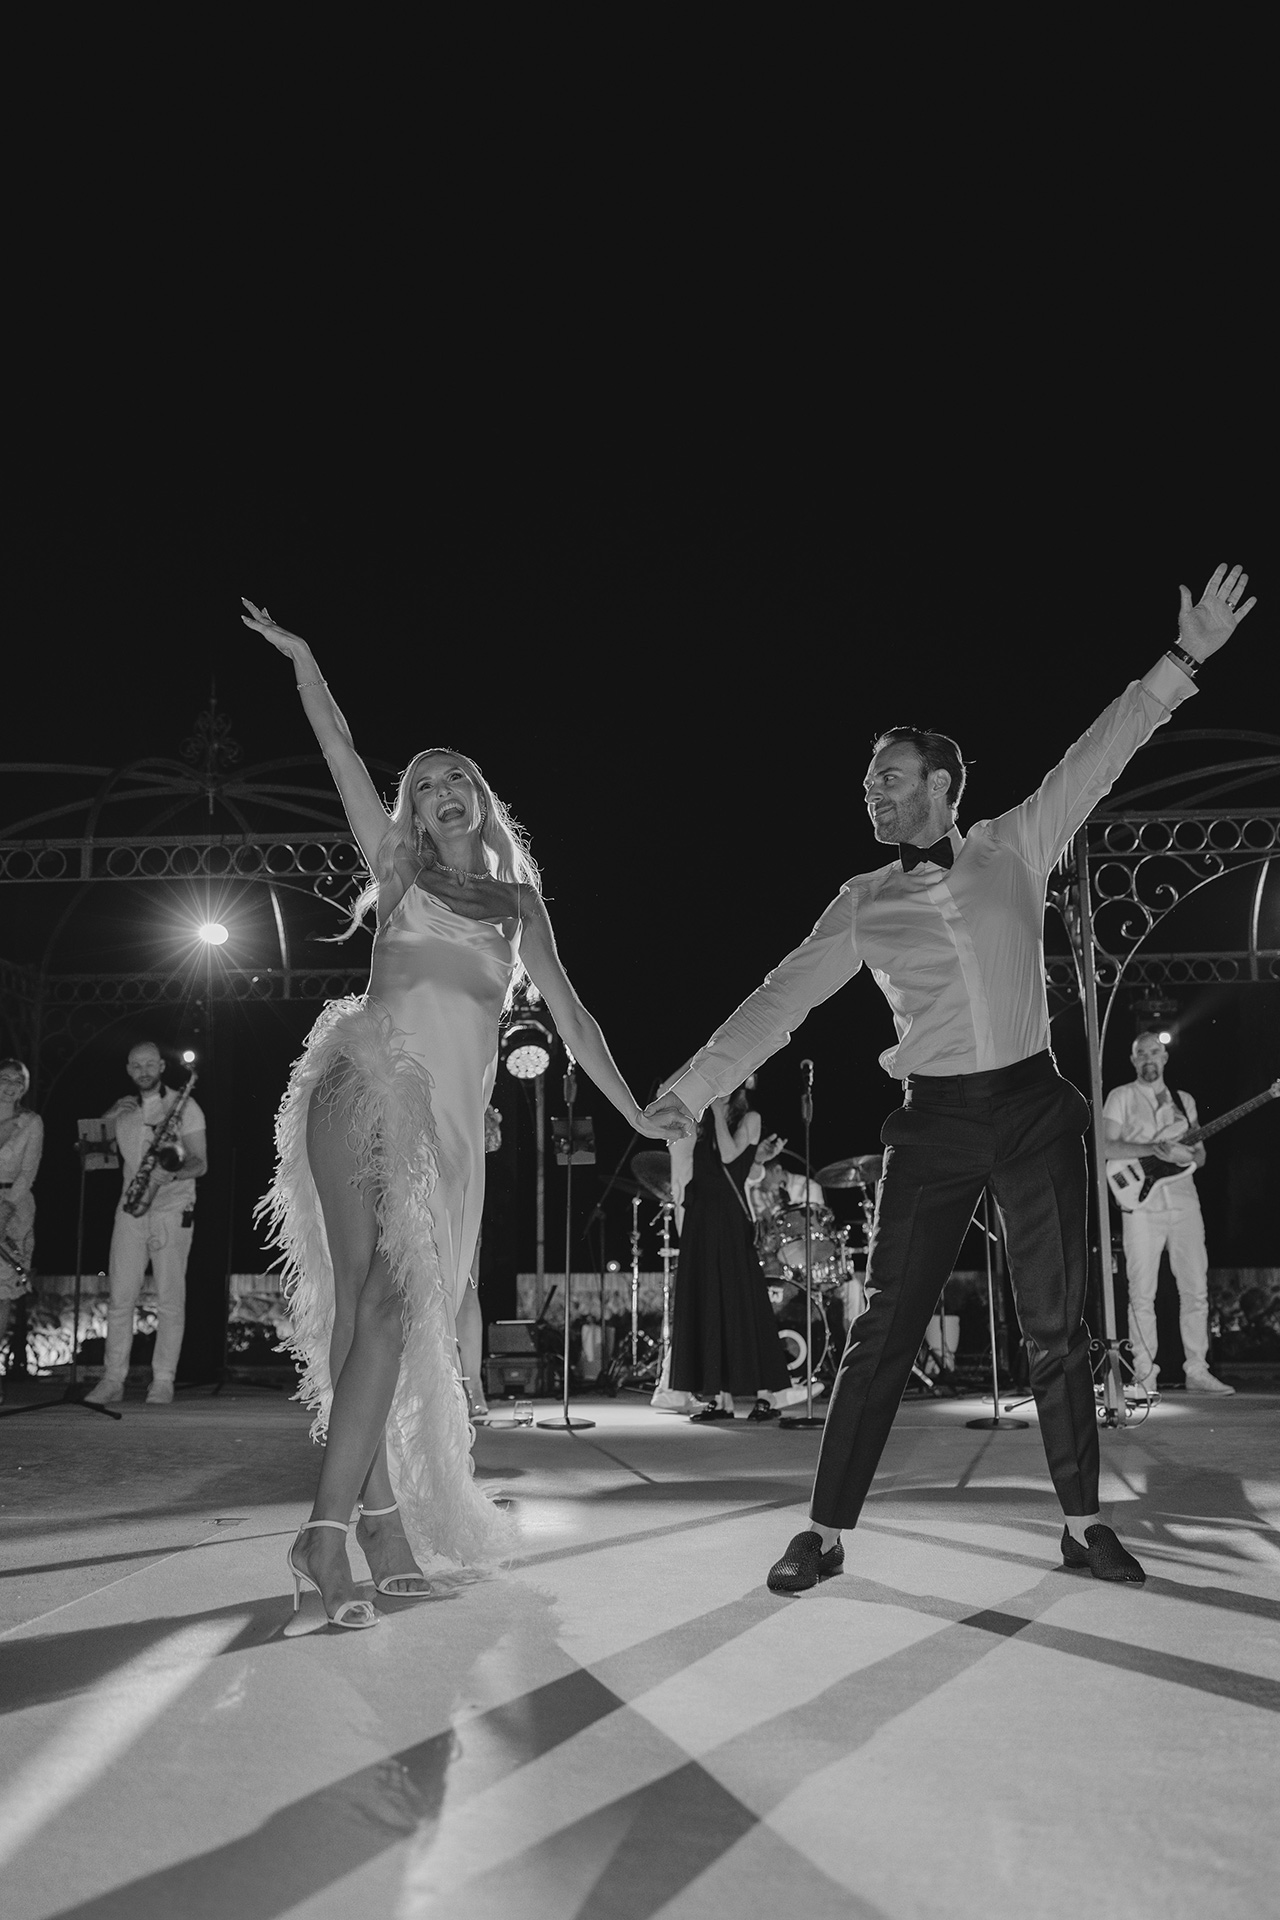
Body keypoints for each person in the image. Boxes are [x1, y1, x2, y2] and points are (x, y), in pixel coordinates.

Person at [647, 563, 1255, 1593]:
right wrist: (697, 1085)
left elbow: (1099, 751)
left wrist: (1183, 657)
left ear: (940, 783)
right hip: (932, 1122)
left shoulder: (1016, 844)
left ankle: (1082, 1524)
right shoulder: (859, 901)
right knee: (881, 1330)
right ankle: (822, 1533)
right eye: (867, 782)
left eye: (889, 775)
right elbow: (779, 997)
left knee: (1057, 1330)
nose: (872, 790)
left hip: (1032, 1106)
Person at [244, 600, 686, 1631]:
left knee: (387, 1319)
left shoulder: (519, 907)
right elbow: (339, 750)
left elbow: (573, 1021)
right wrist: (304, 659)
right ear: (411, 811)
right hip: (364, 1083)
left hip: (448, 1130)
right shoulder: (398, 871)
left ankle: (377, 1526)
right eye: (424, 785)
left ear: (483, 802)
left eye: (458, 780)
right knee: (375, 1306)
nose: (441, 793)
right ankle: (328, 1534)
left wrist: (634, 1109)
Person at [1103, 1032, 1233, 1398]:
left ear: (1164, 1057)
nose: (1148, 1058)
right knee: (1141, 1291)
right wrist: (1152, 1149)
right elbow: (1106, 1146)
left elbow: (1200, 1155)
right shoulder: (1121, 1096)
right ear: (1133, 1060)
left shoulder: (1183, 1100)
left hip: (1183, 1199)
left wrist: (1183, 1154)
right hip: (1140, 1203)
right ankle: (1144, 1374)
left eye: (1154, 1052)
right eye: (1141, 1053)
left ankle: (1197, 1369)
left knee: (1195, 1287)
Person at [84, 1042, 208, 1406]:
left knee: (170, 1299)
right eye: (136, 1065)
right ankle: (112, 1379)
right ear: (128, 1069)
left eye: (150, 1064)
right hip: (131, 1209)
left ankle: (163, 1380)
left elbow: (201, 1164)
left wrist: (170, 1175)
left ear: (161, 1067)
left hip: (172, 1208)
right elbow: (94, 1159)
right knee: (119, 1298)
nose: (143, 1071)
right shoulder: (124, 1111)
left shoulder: (186, 1106)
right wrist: (107, 1118)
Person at [667, 1086, 793, 1423]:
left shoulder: (750, 1118)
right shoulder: (704, 1123)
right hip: (701, 1219)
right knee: (709, 1302)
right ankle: (718, 1397)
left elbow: (729, 1157)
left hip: (728, 1220)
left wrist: (718, 1113)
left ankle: (766, 1395)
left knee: (742, 1301)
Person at [0, 1060, 43, 1403]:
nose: (10, 1085)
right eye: (5, 1079)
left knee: (1, 1294)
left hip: (13, 1209)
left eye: (18, 1081)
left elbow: (28, 1171)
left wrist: (5, 1208)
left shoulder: (31, 1122)